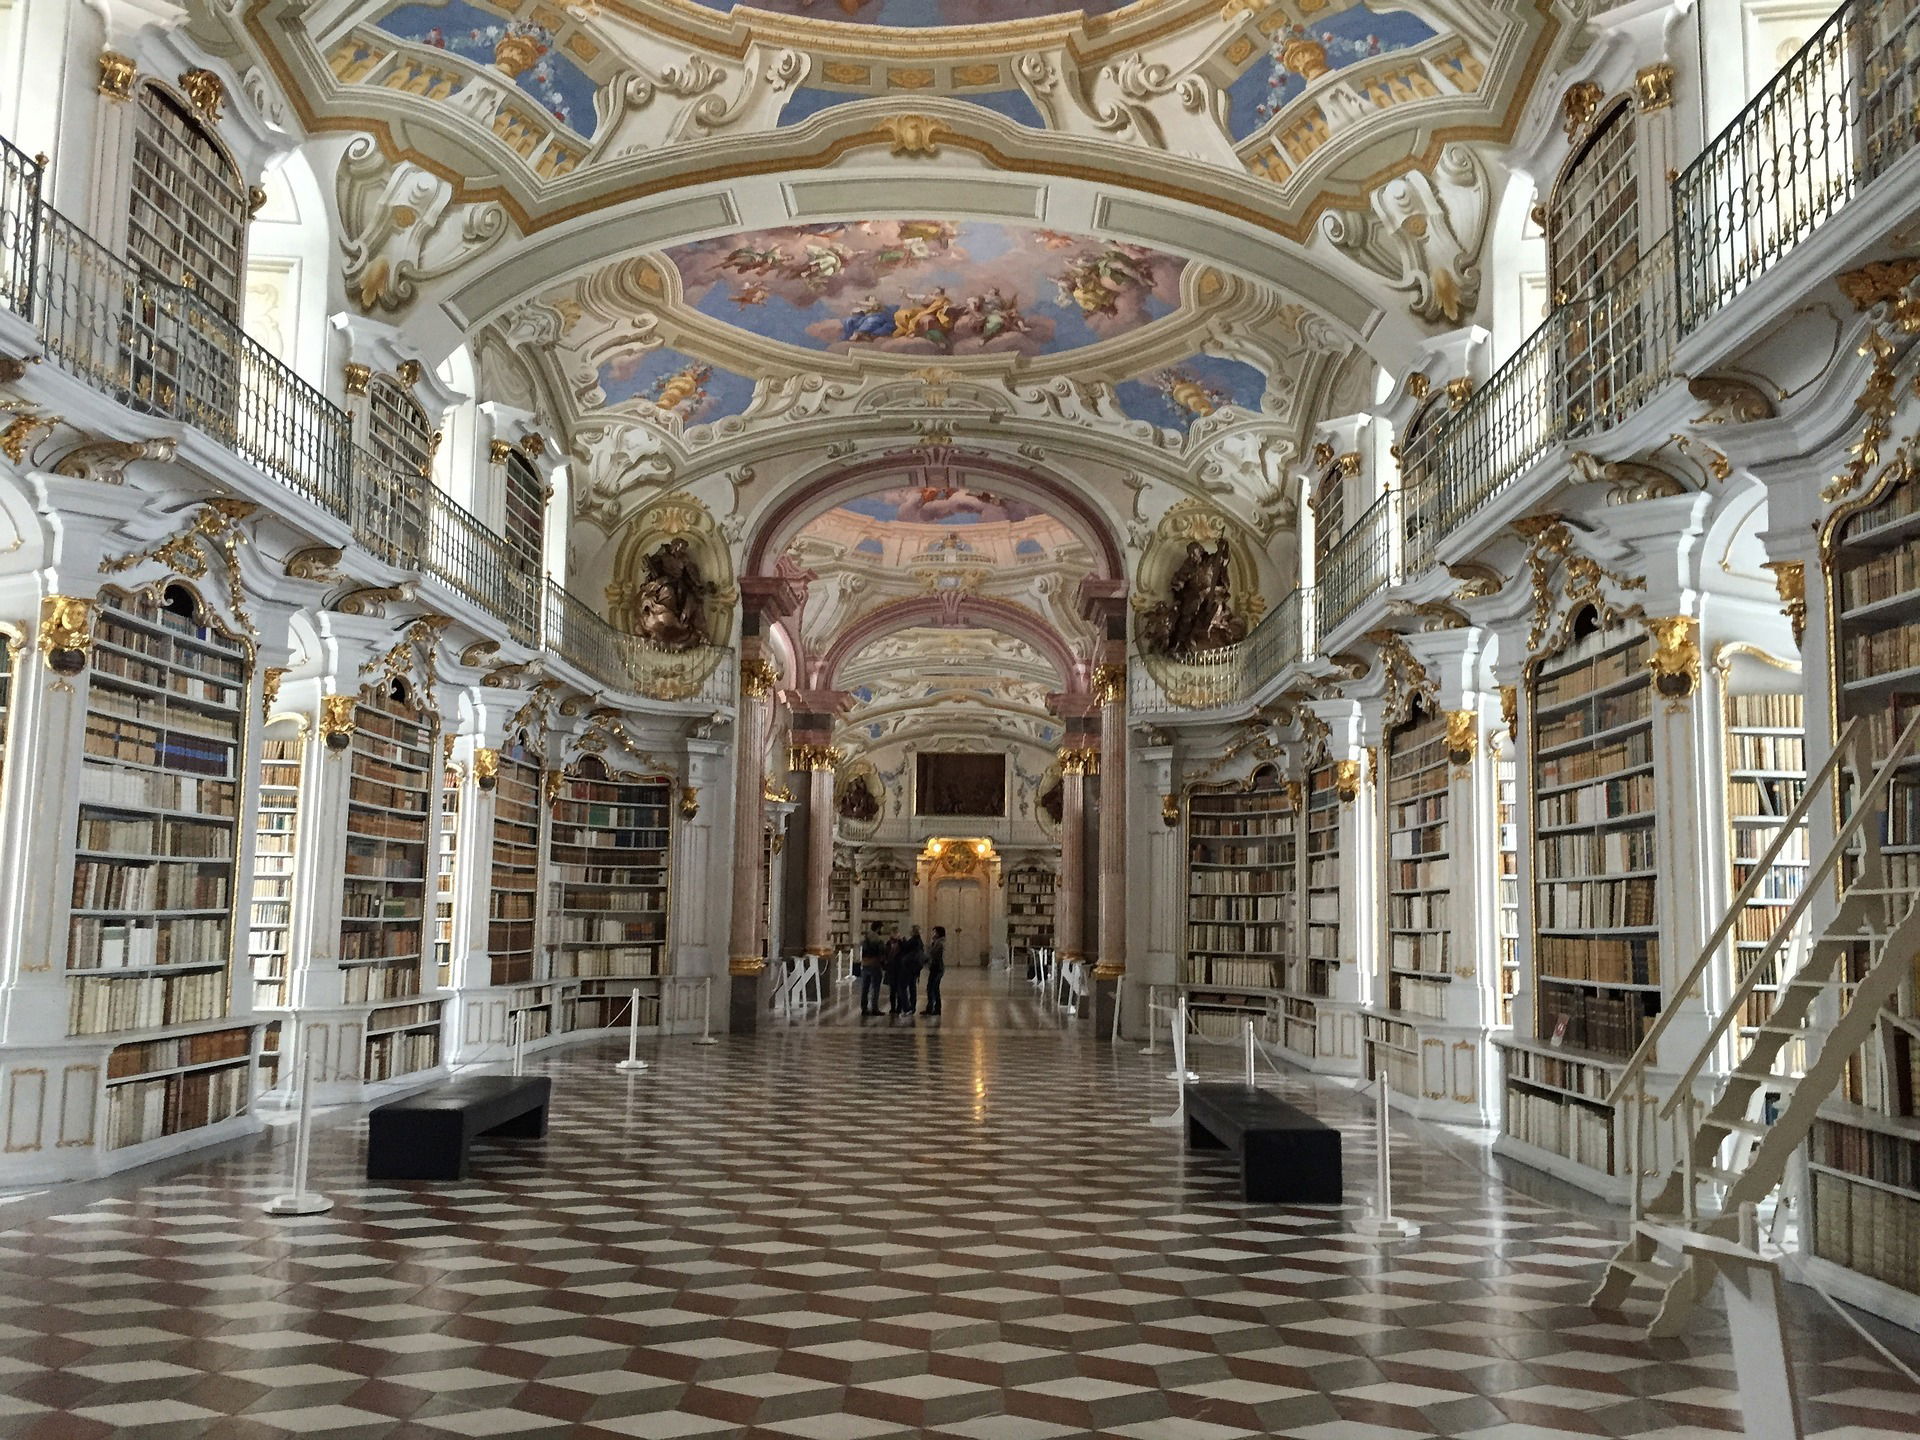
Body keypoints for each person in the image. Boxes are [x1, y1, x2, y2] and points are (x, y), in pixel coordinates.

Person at [896, 926, 925, 1017]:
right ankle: (912, 1007)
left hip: (908, 967)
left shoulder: (913, 941)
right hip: (915, 968)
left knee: (902, 987)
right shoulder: (919, 941)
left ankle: (906, 1008)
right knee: (912, 987)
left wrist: (900, 940)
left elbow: (905, 948)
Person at [858, 921, 886, 1017]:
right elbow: (881, 954)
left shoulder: (865, 938)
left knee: (865, 988)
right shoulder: (878, 940)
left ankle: (864, 1008)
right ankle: (874, 1008)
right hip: (875, 964)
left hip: (865, 964)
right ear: (878, 928)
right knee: (875, 988)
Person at [922, 926, 946, 1017]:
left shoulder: (939, 943)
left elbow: (932, 953)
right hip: (935, 967)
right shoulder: (937, 942)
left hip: (937, 968)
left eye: (935, 932)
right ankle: (931, 1007)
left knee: (934, 988)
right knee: (931, 988)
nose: (933, 934)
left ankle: (936, 1008)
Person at [883, 931, 905, 1017]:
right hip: (891, 970)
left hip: (899, 970)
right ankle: (893, 1007)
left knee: (899, 990)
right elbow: (885, 955)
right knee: (892, 991)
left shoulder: (901, 944)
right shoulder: (888, 944)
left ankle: (899, 1007)